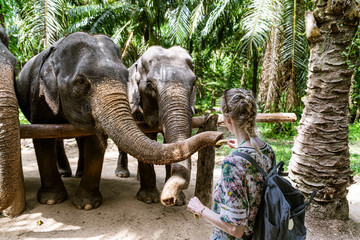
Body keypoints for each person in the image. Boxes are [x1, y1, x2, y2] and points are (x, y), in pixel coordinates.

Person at [187, 88, 276, 240]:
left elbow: (235, 229)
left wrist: (200, 209)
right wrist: (242, 149)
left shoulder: (233, 164)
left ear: (228, 120)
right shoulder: (267, 150)